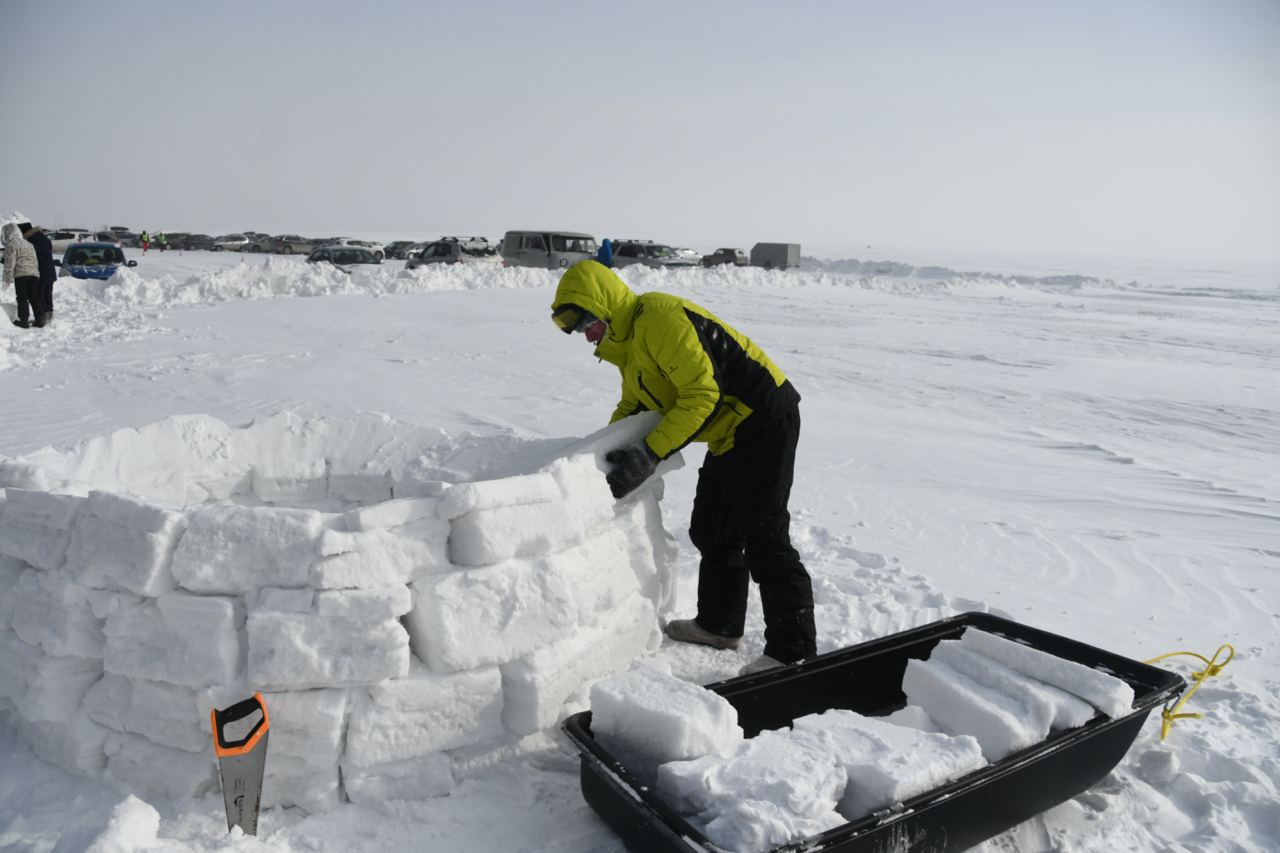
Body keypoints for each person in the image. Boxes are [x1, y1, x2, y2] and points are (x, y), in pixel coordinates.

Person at [551, 259, 816, 674]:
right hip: (728, 430)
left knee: (765, 535)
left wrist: (649, 453)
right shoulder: (630, 343)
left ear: (603, 307)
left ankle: (793, 651)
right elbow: (635, 406)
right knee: (712, 528)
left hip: (764, 418)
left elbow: (700, 395)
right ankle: (719, 625)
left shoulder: (658, 318)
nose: (588, 336)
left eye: (588, 325)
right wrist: (597, 457)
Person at [3, 222, 45, 328]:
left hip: (21, 275)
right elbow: (35, 260)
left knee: (22, 298)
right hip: (34, 274)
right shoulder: (28, 244)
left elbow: (9, 264)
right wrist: (37, 274)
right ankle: (40, 320)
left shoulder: (11, 245)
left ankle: (24, 321)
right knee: (35, 298)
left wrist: (7, 280)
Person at [18, 222, 57, 325]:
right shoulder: (43, 237)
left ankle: (42, 317)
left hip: (41, 271)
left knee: (39, 295)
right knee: (48, 294)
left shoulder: (30, 241)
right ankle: (49, 315)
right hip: (51, 270)